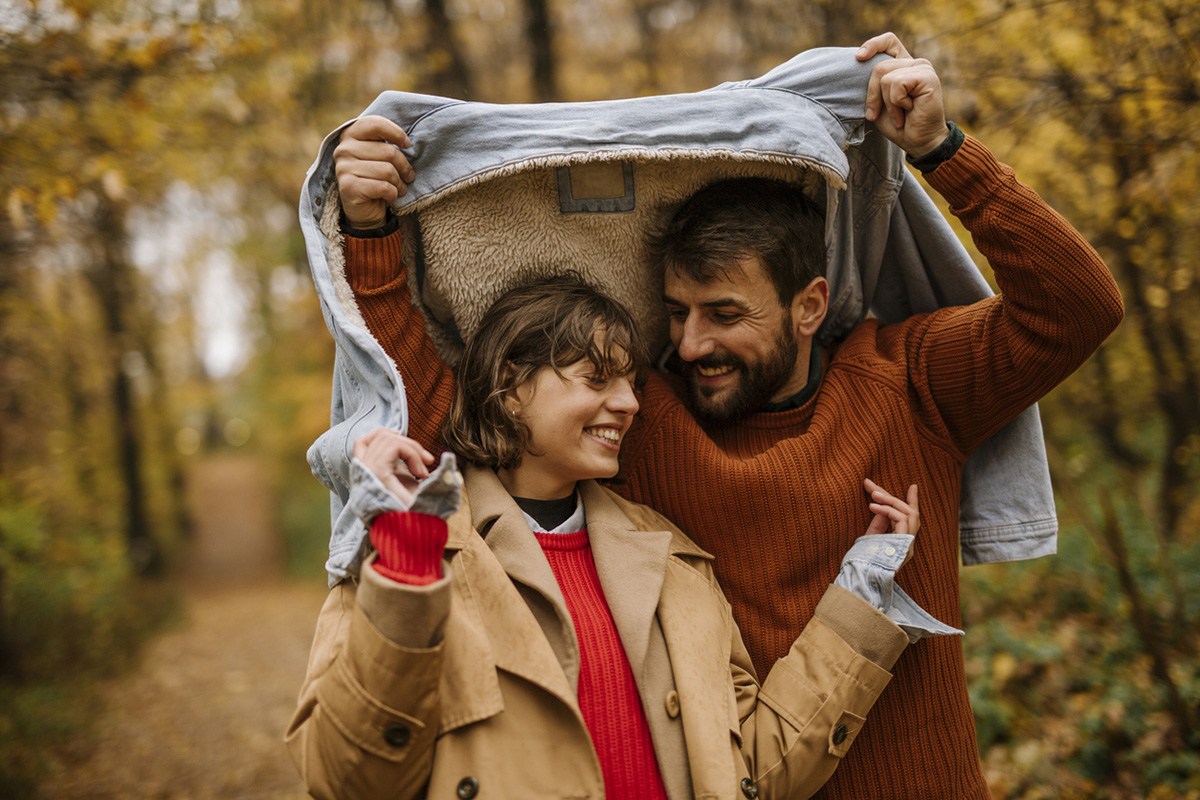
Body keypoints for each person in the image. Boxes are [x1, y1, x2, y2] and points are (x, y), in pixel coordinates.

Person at [329, 33, 1124, 799]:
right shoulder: (643, 420)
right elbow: (442, 405)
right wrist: (369, 229)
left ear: (810, 304)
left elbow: (1077, 308)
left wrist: (944, 150)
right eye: (675, 311)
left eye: (724, 313)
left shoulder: (910, 381)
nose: (690, 342)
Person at [285, 273, 952, 800]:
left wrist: (860, 595)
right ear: (509, 388)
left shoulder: (674, 564)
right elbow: (347, 781)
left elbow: (753, 773)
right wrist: (404, 568)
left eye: (632, 383)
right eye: (597, 379)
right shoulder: (417, 550)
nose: (632, 403)